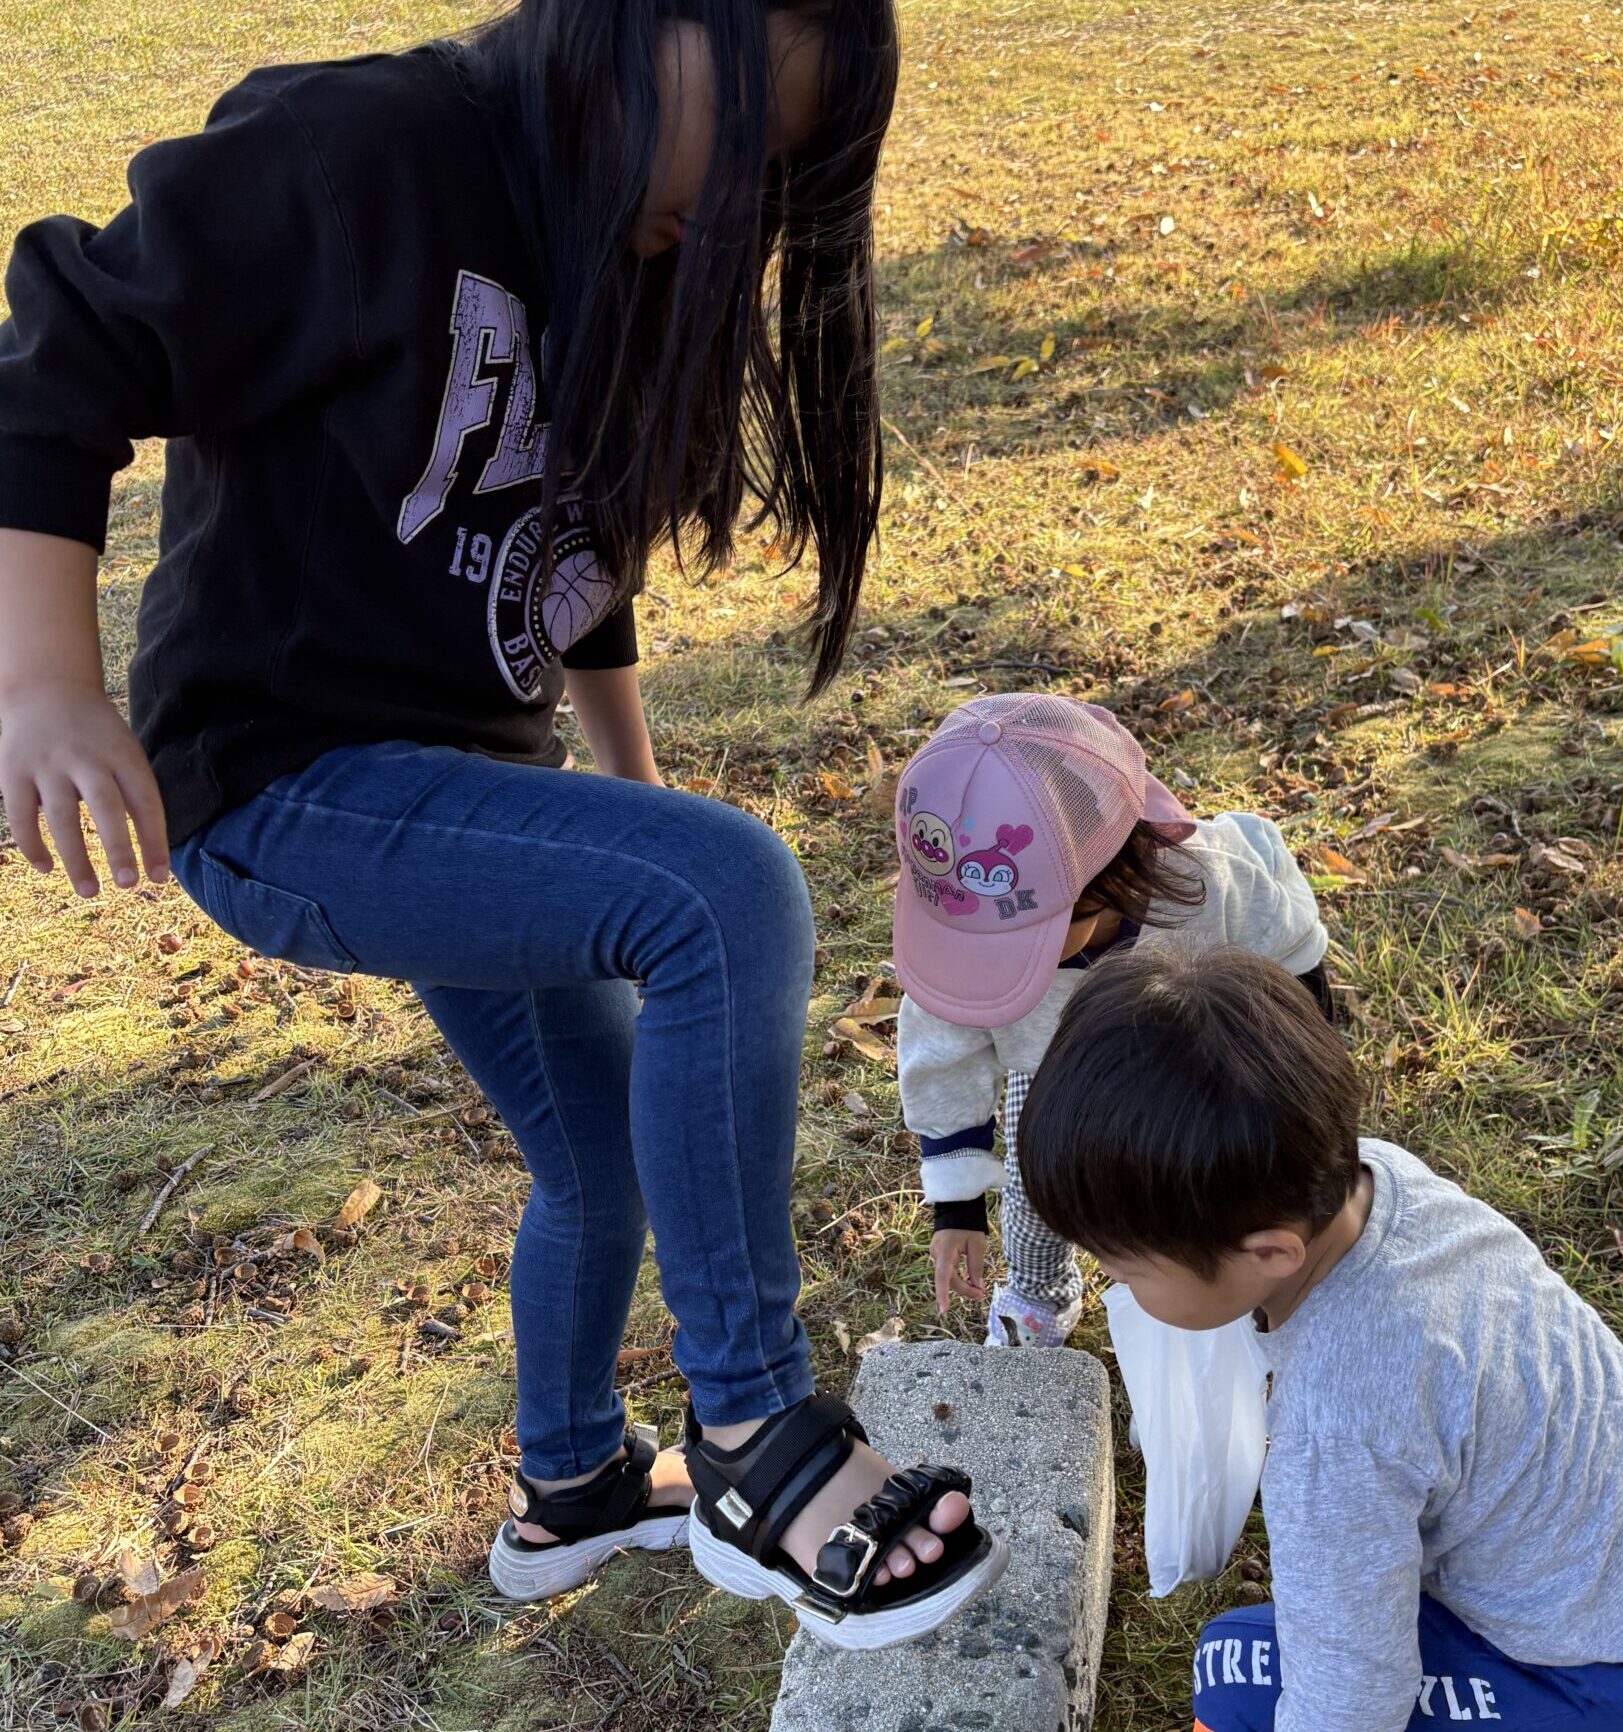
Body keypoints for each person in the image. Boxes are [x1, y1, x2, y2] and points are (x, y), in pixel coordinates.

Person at [0, 0, 1006, 1648]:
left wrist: (634, 788)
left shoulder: (627, 238)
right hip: (280, 782)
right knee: (731, 892)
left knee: (600, 1157)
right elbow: (62, 352)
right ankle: (753, 1430)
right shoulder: (368, 153)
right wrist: (40, 683)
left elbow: (574, 562)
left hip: (473, 794)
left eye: (791, 167)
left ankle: (572, 1492)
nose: (754, 196)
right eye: (746, 133)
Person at [1017, 949, 1623, 1731]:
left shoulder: (1336, 1429)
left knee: (1234, 1668)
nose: (1113, 1287)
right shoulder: (1380, 1178)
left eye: (1128, 1272)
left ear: (1270, 1253)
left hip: (1618, 1676)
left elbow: (1350, 1697)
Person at [890, 692, 1329, 1345]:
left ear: (1113, 876)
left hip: (1192, 1061)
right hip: (1050, 1072)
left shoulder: (1211, 886)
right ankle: (1038, 1295)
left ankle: (1210, 1288)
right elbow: (941, 1055)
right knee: (1041, 1185)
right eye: (971, 942)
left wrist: (1294, 1076)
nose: (986, 962)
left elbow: (1290, 960)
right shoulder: (963, 947)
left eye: (1017, 941)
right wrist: (956, 1204)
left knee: (1194, 1184)